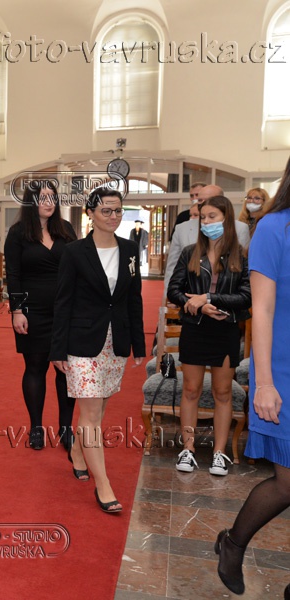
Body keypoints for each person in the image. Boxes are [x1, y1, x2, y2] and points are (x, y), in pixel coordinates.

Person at [215, 160, 290, 597]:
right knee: (288, 482)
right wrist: (263, 383)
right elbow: (260, 308)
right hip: (283, 369)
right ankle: (234, 542)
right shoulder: (274, 228)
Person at [51, 188, 145, 514]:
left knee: (99, 410)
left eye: (118, 210)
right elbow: (63, 302)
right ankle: (102, 484)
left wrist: (138, 344)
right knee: (91, 414)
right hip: (82, 343)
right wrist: (57, 349)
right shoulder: (74, 252)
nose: (113, 216)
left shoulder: (130, 249)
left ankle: (78, 452)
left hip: (115, 341)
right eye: (106, 211)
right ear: (90, 213)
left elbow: (134, 298)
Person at [167, 196, 251, 476]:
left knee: (222, 393)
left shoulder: (241, 255)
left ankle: (219, 453)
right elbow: (174, 290)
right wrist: (199, 305)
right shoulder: (190, 252)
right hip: (195, 328)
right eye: (203, 217)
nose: (206, 222)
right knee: (190, 390)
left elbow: (246, 296)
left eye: (212, 216)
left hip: (226, 331)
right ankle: (188, 449)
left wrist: (210, 298)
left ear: (226, 219)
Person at [4, 181, 77, 451]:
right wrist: (17, 311)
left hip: (66, 310)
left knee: (66, 370)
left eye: (52, 197)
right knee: (35, 367)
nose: (49, 202)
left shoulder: (65, 229)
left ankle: (66, 428)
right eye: (43, 198)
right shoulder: (18, 233)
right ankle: (36, 427)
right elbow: (13, 275)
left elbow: (78, 267)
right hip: (32, 311)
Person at [164, 185, 250, 293]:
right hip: (192, 297)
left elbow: (243, 270)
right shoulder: (182, 229)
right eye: (200, 200)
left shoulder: (240, 228)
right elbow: (172, 266)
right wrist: (167, 294)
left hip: (229, 296)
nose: (204, 203)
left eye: (209, 199)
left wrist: (209, 299)